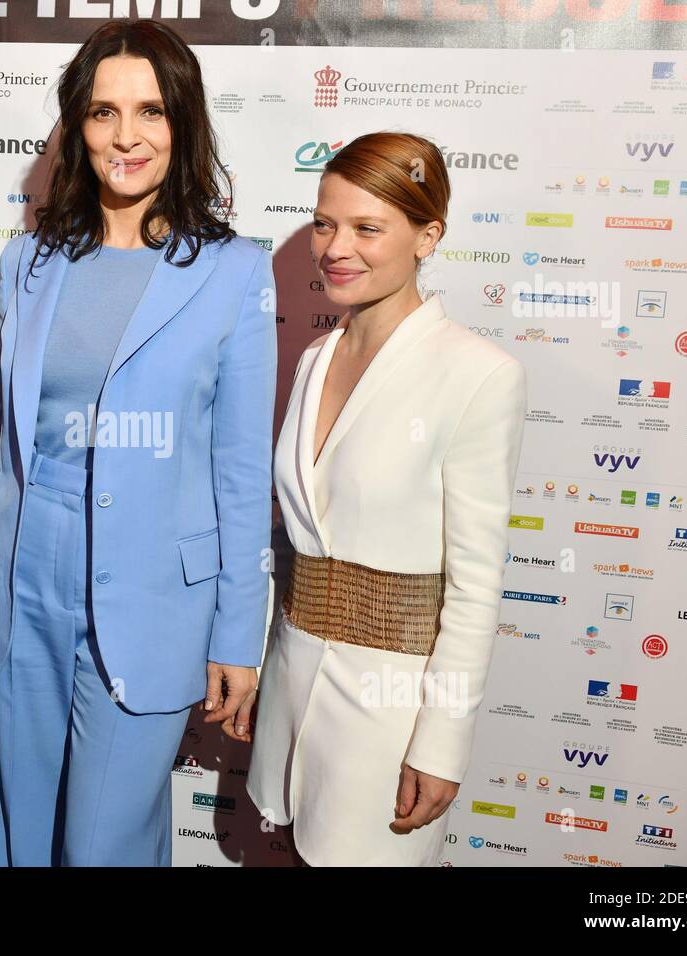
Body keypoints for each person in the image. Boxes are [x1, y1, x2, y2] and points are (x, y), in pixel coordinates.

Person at [0, 19, 276, 867]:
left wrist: (237, 634)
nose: (125, 137)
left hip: (150, 596)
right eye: (103, 113)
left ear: (184, 123)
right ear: (77, 124)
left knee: (107, 846)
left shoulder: (237, 272)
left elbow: (242, 472)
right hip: (21, 582)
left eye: (150, 112)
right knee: (20, 838)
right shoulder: (28, 261)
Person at [246, 131, 527, 866]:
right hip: (292, 697)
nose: (337, 247)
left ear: (428, 234)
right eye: (325, 223)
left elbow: (474, 584)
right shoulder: (313, 357)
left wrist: (443, 742)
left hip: (391, 721)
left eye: (368, 228)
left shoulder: (477, 373)